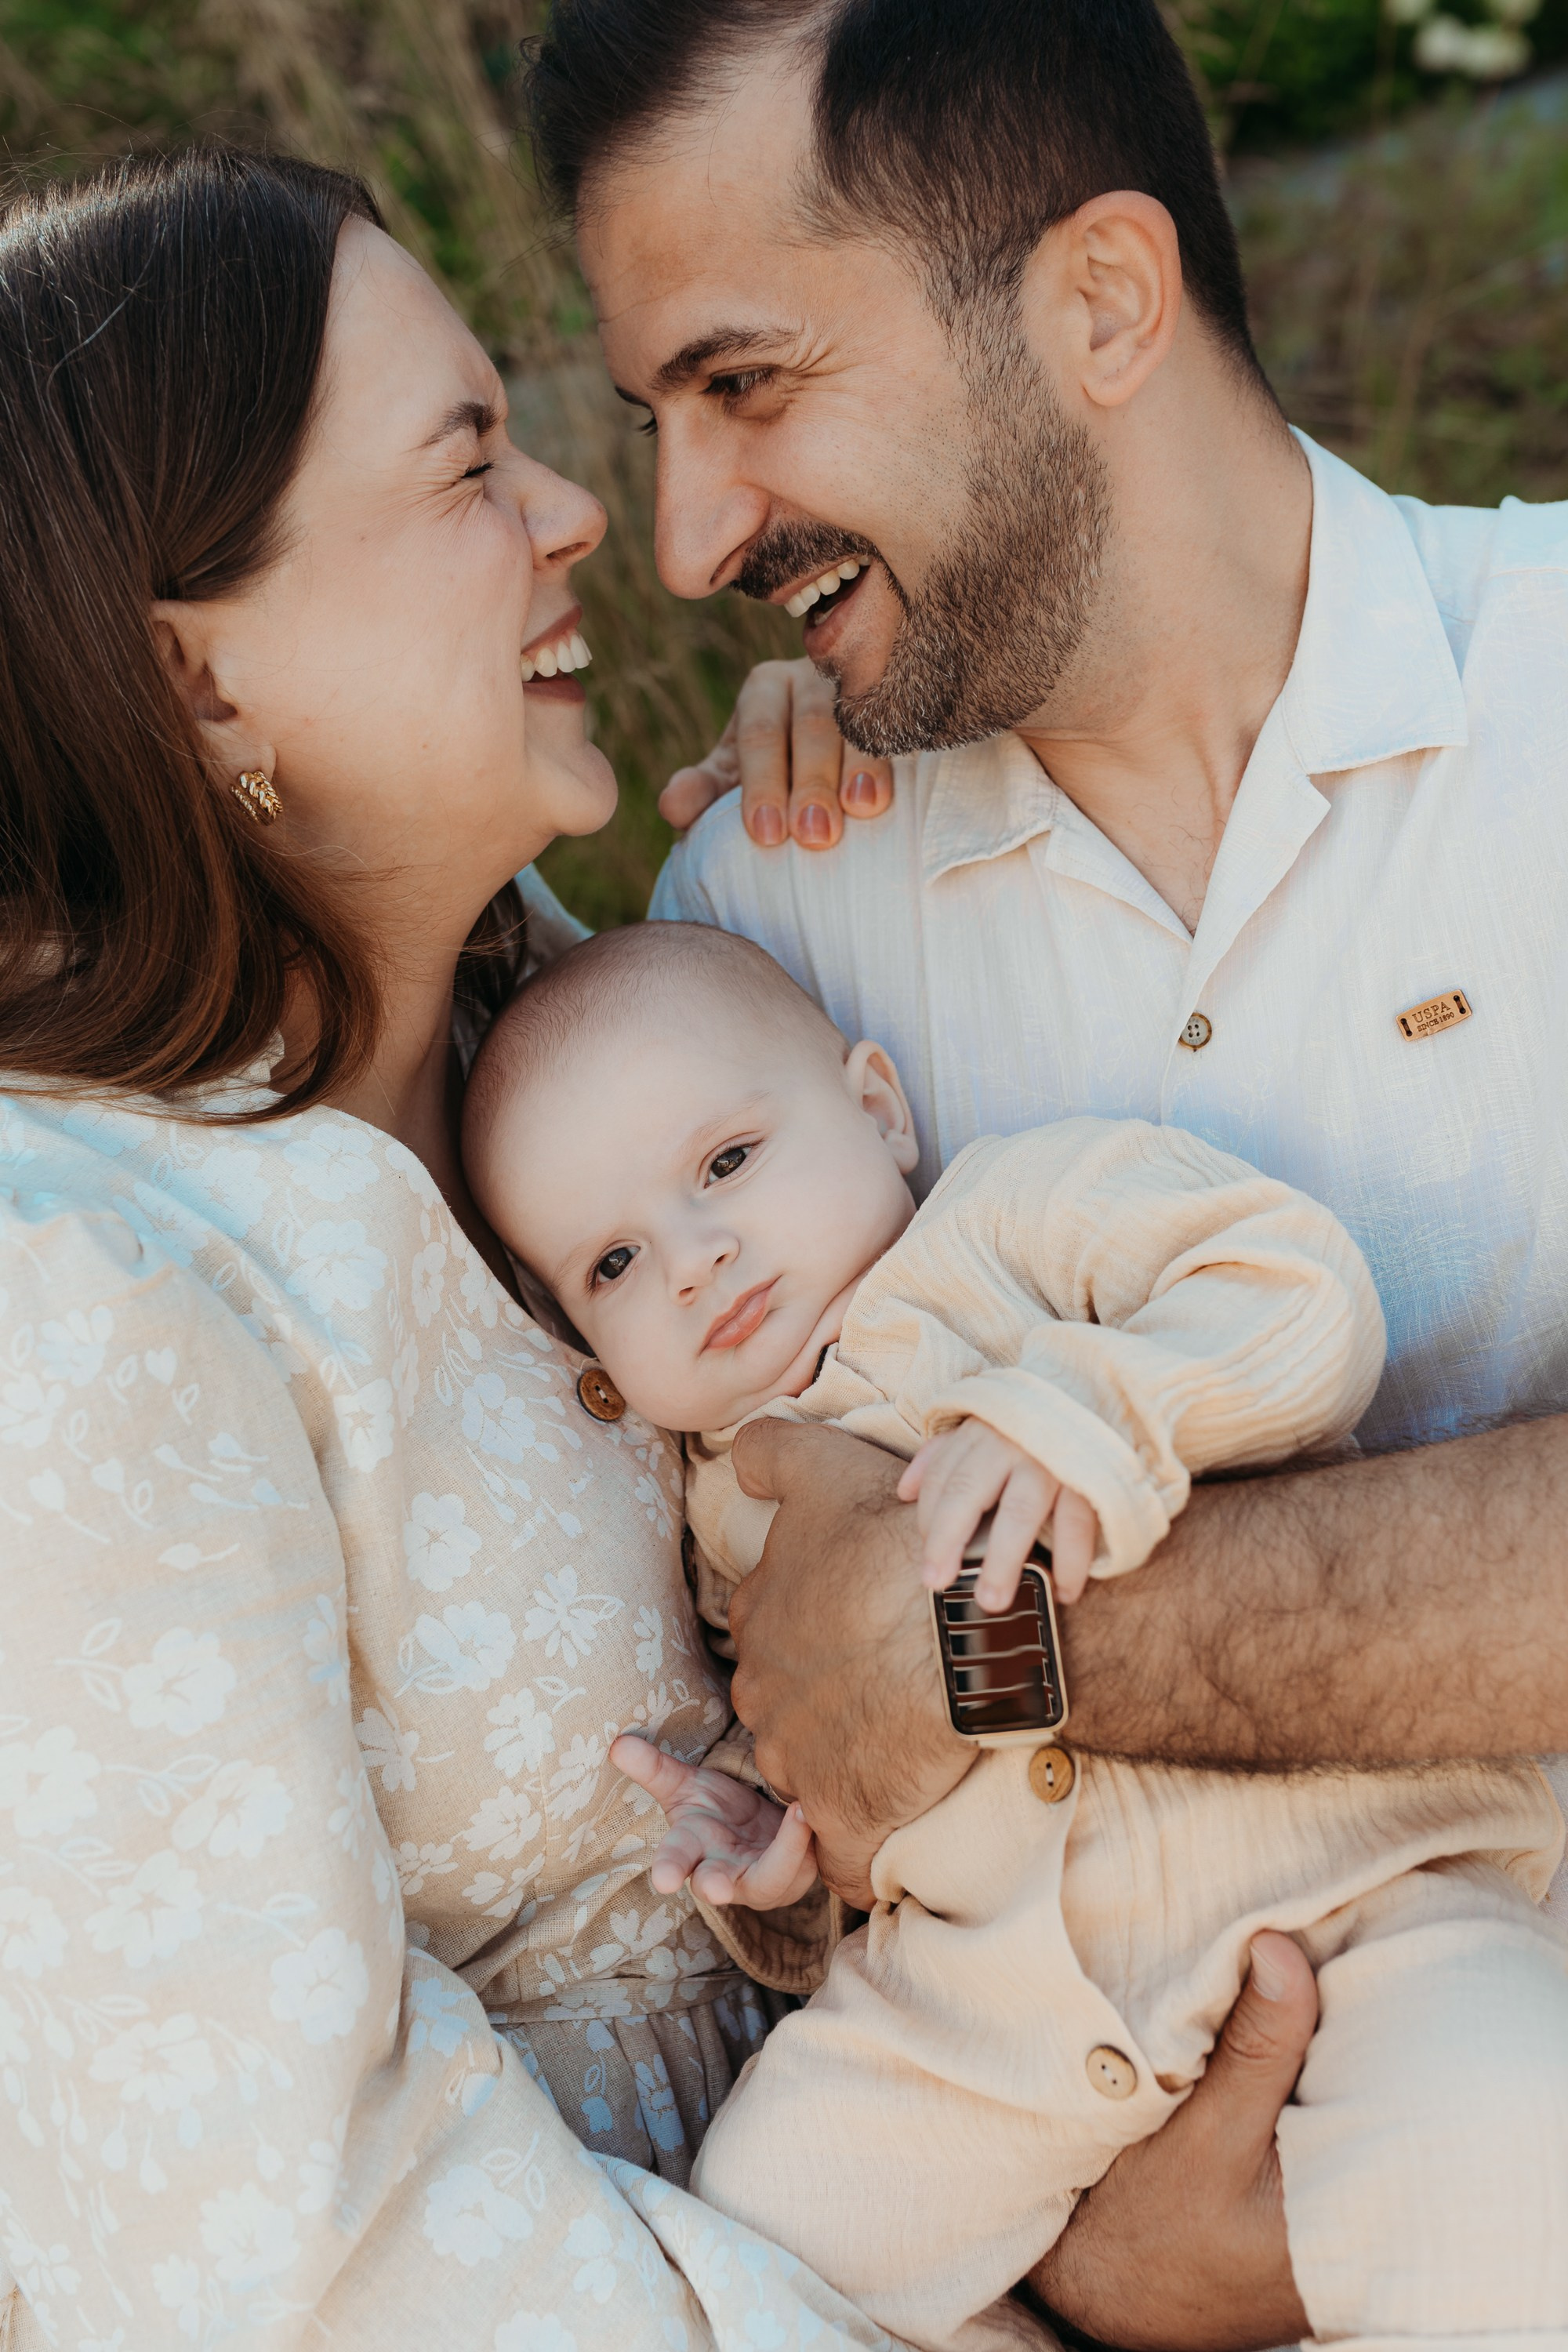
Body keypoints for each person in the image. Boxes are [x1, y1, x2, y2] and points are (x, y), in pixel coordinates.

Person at [521, 0, 1568, 2340]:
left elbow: (897, 1644)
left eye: (751, 384)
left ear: (1100, 299)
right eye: (656, 422)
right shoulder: (762, 949)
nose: (686, 537)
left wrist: (995, 1637)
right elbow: (795, 1694)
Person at [0, 147, 928, 2352]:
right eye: (465, 465)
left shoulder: (586, 1015)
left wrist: (880, 828)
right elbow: (287, 2253)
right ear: (195, 682)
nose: (578, 513)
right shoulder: (85, 1291)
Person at [460, 915, 1567, 2352]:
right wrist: (781, 1866)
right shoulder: (713, 1508)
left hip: (1346, 1884)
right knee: (765, 2239)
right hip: (985, 2020)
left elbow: (1299, 1299)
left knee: (1508, 2144)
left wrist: (1084, 1413)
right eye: (611, 1263)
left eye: (726, 1164)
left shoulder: (1012, 1223)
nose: (693, 1259)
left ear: (875, 1108)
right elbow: (838, 1775)